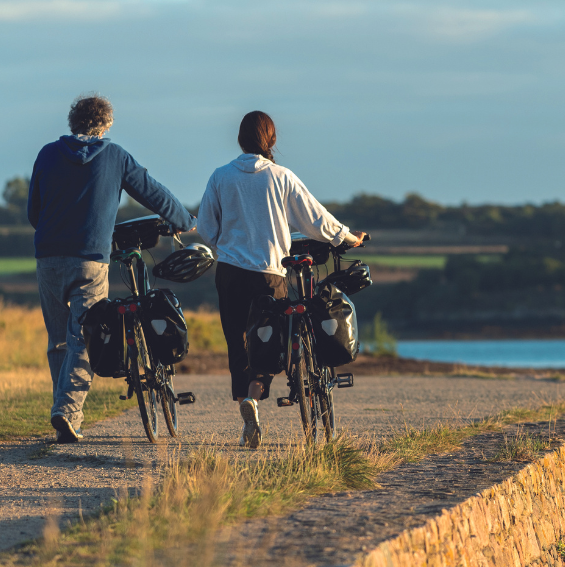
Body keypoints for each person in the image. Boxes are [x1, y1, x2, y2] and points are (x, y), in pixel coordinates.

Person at [28, 94, 195, 443]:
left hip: (48, 258)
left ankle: (65, 412)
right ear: (105, 125)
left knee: (58, 339)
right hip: (90, 259)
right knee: (83, 337)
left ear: (73, 122)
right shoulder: (115, 156)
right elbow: (153, 193)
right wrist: (183, 220)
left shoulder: (46, 154)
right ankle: (68, 412)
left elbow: (34, 212)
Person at [196, 110, 365, 448]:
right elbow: (316, 219)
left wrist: (230, 245)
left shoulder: (220, 177)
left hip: (229, 274)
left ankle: (250, 406)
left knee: (239, 343)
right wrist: (347, 238)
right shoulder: (282, 176)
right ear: (271, 140)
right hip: (268, 274)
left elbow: (205, 229)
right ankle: (257, 398)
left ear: (241, 140)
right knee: (269, 344)